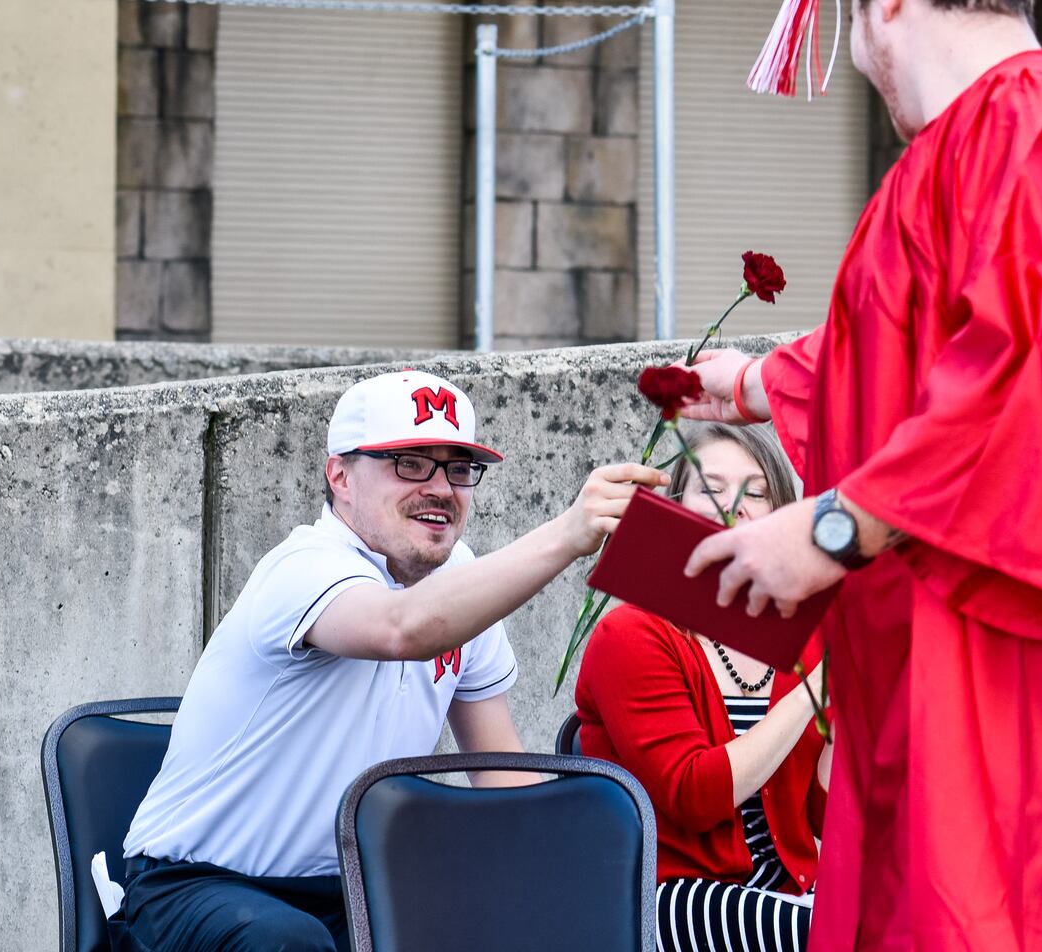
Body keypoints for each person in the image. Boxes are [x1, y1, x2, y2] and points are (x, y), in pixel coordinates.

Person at [679, 0, 1042, 947]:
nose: (858, 65)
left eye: (851, 38)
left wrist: (829, 527)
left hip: (1035, 698)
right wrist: (742, 384)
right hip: (944, 690)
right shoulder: (973, 151)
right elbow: (910, 366)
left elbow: (1034, 368)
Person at [116, 369, 667, 952]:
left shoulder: (458, 583)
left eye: (458, 468)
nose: (440, 487)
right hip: (192, 890)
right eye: (409, 462)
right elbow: (401, 629)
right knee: (287, 942)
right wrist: (566, 535)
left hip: (352, 891)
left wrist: (569, 885)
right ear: (341, 476)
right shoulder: (303, 565)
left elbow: (502, 775)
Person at [575, 423, 830, 952]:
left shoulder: (805, 641)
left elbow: (818, 816)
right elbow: (694, 795)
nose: (732, 506)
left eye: (756, 491)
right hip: (671, 895)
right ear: (676, 508)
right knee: (843, 937)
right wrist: (814, 691)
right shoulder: (631, 634)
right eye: (710, 490)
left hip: (787, 887)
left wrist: (841, 722)